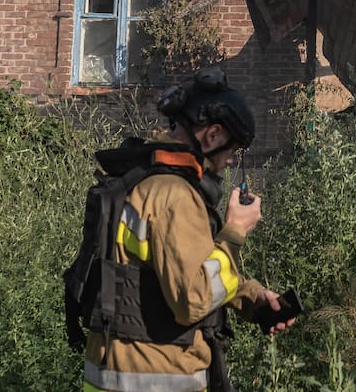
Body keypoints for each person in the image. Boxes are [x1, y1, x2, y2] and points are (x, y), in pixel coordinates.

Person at [77, 67, 295, 392]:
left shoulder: (142, 178)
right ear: (213, 135)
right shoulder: (175, 195)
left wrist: (253, 298)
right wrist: (235, 231)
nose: (230, 162)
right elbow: (192, 299)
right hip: (159, 377)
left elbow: (164, 277)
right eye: (232, 151)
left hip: (115, 372)